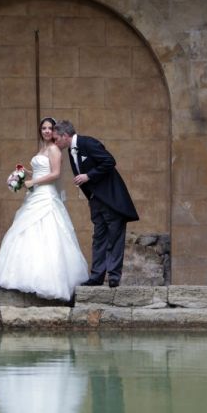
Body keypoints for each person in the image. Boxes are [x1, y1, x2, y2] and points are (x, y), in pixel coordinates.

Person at [0, 117, 89, 301]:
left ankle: (48, 282)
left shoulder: (54, 149)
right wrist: (24, 174)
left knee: (48, 232)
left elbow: (55, 174)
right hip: (35, 194)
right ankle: (21, 277)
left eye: (50, 128)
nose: (47, 131)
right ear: (40, 131)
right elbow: (43, 171)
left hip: (46, 196)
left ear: (55, 131)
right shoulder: (42, 149)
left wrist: (32, 182)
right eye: (44, 128)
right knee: (24, 231)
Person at [52, 120, 139, 288]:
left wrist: (88, 175)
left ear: (65, 136)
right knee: (99, 239)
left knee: (115, 237)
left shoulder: (88, 143)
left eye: (56, 139)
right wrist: (91, 197)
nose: (55, 143)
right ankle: (97, 276)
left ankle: (113, 276)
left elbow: (109, 161)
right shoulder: (71, 150)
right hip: (96, 201)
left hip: (111, 200)